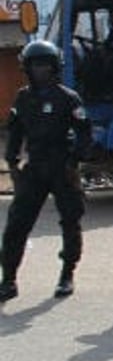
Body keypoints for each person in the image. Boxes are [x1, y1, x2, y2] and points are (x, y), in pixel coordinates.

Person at [0, 41, 93, 300]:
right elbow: (15, 131)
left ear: (54, 67)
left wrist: (74, 161)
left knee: (70, 221)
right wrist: (12, 161)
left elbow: (85, 132)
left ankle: (67, 274)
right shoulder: (23, 97)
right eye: (34, 65)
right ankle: (8, 280)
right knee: (17, 224)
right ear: (27, 68)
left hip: (62, 166)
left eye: (45, 65)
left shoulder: (68, 97)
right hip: (35, 166)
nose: (40, 70)